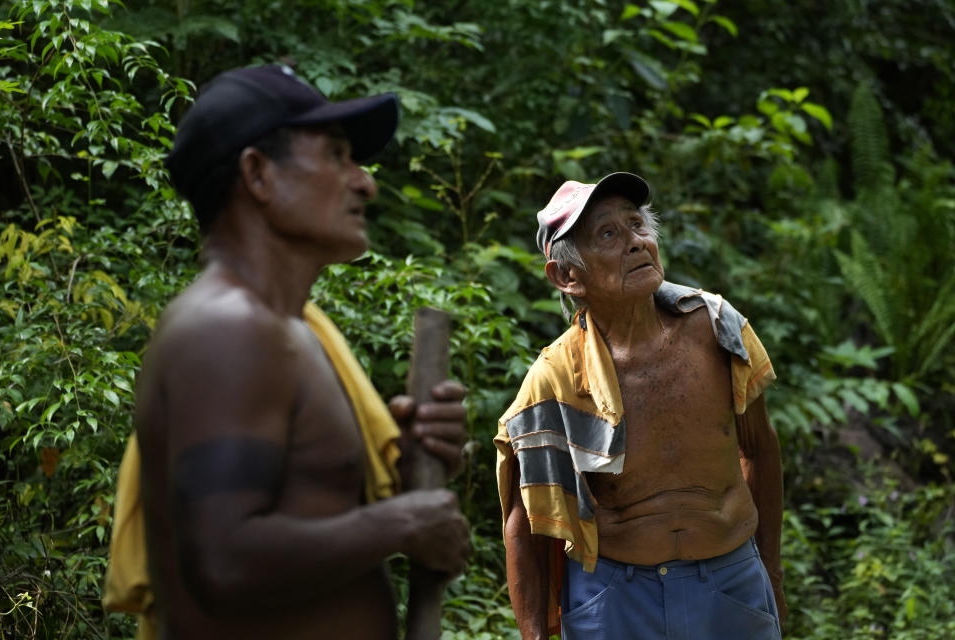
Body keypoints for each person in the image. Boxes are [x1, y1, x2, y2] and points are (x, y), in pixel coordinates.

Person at [102, 64, 471, 639]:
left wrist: (410, 463)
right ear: (258, 174)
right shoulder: (227, 329)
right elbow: (223, 561)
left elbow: (304, 512)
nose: (365, 182)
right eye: (336, 156)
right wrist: (398, 524)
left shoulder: (293, 331)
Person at [495, 173, 786, 640]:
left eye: (637, 225)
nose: (636, 243)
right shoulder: (555, 379)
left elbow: (761, 449)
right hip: (616, 599)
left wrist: (770, 571)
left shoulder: (718, 328)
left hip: (731, 580)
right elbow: (524, 524)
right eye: (608, 234)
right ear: (567, 276)